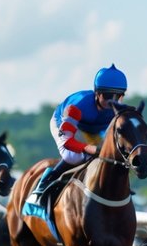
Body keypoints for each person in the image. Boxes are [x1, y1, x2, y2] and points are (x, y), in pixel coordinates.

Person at [32, 64, 128, 204]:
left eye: (118, 96)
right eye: (107, 95)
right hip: (66, 124)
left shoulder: (118, 110)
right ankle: (45, 183)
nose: (112, 100)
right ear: (97, 93)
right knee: (73, 157)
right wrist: (91, 149)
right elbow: (68, 142)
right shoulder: (77, 106)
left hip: (94, 128)